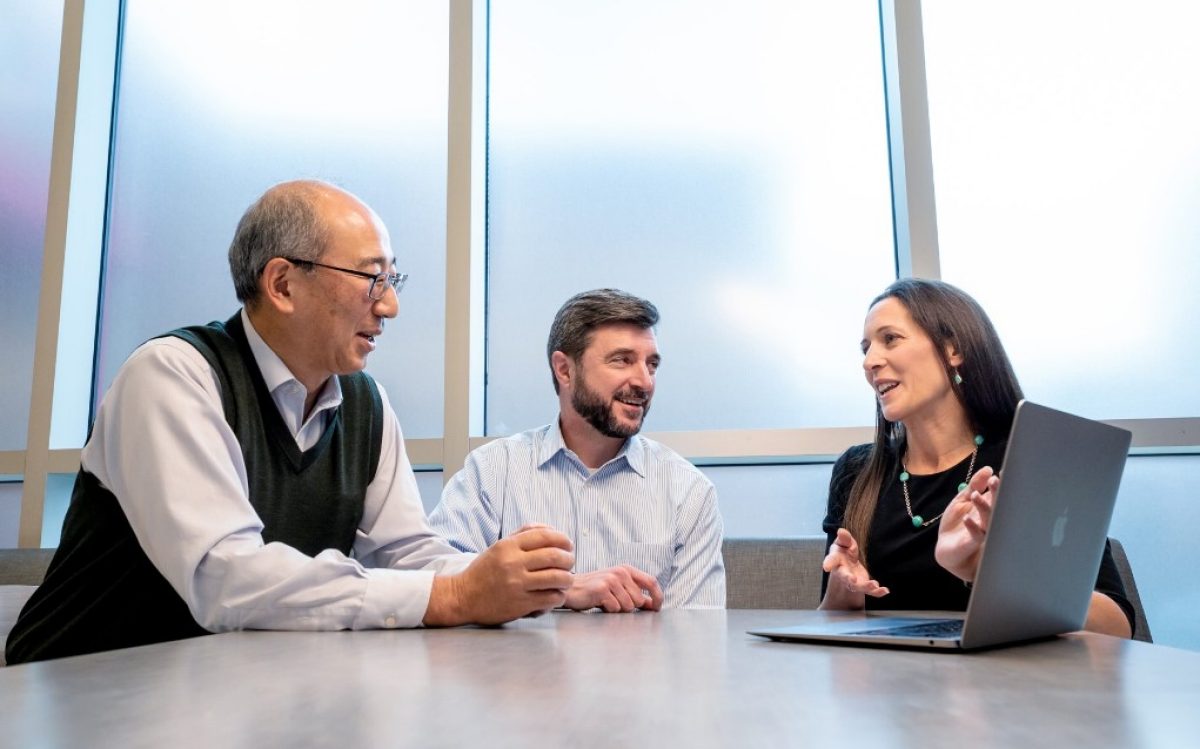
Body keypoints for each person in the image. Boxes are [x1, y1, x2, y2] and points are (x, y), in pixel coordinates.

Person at [5, 180, 575, 664]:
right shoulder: (174, 376)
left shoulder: (366, 403)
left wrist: (528, 585)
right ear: (282, 284)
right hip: (81, 693)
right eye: (371, 277)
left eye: (392, 280)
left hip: (224, 692)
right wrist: (455, 596)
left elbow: (407, 555)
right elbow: (225, 579)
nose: (389, 305)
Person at [819, 278, 1134, 637]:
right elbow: (828, 628)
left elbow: (1117, 627)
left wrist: (988, 570)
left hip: (1014, 687)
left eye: (890, 339)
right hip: (888, 688)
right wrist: (844, 591)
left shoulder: (1031, 460)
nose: (870, 361)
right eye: (866, 349)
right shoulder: (857, 470)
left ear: (952, 348)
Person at [428, 289, 725, 612]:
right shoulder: (493, 471)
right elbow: (434, 579)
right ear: (565, 370)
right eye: (623, 360)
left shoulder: (689, 493)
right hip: (518, 663)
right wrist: (560, 589)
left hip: (641, 664)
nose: (644, 381)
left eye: (651, 365)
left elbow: (697, 637)